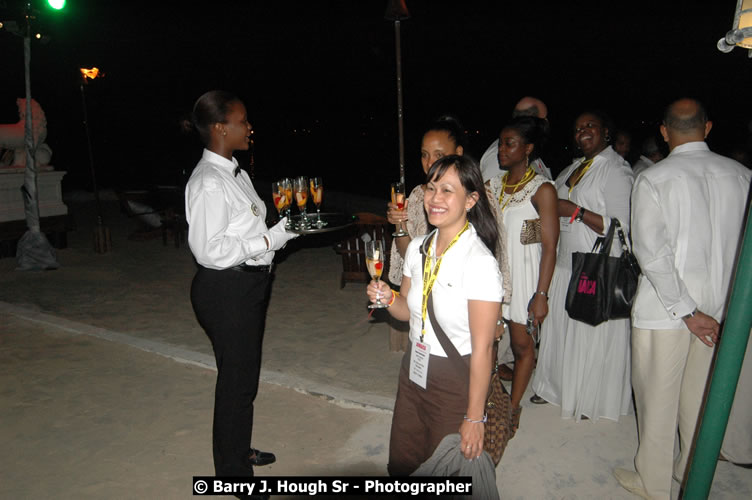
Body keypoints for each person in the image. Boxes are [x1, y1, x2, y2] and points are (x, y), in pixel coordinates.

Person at [613, 98, 752, 500]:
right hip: (720, 312)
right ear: (707, 128)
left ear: (664, 131)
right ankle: (692, 471)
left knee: (657, 400)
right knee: (700, 399)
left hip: (667, 312)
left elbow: (651, 253)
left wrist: (687, 310)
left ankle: (653, 483)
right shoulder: (742, 175)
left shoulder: (655, 179)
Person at [184, 91, 297, 495]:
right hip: (225, 289)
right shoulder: (208, 183)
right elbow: (209, 251)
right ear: (220, 128)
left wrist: (281, 234)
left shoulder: (237, 172)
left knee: (243, 377)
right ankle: (232, 475)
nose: (249, 127)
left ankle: (238, 450)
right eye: (242, 120)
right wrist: (270, 241)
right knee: (235, 382)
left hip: (246, 285)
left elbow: (249, 230)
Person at [368, 155, 503, 476]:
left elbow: (484, 347)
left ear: (471, 200)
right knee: (404, 463)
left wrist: (474, 417)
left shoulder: (479, 262)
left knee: (443, 469)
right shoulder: (417, 249)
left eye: (447, 190)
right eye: (431, 189)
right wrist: (389, 298)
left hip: (454, 380)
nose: (435, 199)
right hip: (413, 371)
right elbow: (406, 313)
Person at [530, 110, 634, 422]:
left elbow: (623, 227)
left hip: (595, 267)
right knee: (561, 333)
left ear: (606, 132)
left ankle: (589, 398)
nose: (582, 131)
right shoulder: (572, 169)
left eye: (590, 125)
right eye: (577, 128)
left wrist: (575, 211)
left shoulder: (616, 170)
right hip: (564, 264)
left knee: (588, 334)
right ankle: (554, 389)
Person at [486, 116, 558, 432]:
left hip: (525, 277)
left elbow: (549, 247)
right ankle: (486, 400)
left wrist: (540, 295)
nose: (502, 149)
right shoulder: (492, 186)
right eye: (501, 142)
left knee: (521, 346)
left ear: (527, 148)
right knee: (486, 344)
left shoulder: (541, 190)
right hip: (491, 277)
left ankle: (513, 408)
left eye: (509, 143)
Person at [386, 115, 465, 287]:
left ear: (458, 153)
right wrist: (400, 223)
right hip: (423, 290)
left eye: (439, 155)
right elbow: (409, 255)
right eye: (424, 155)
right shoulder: (417, 196)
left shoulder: (473, 196)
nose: (430, 163)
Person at [479, 96, 553, 181]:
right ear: (532, 123)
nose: (547, 123)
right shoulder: (503, 155)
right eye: (544, 120)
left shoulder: (530, 152)